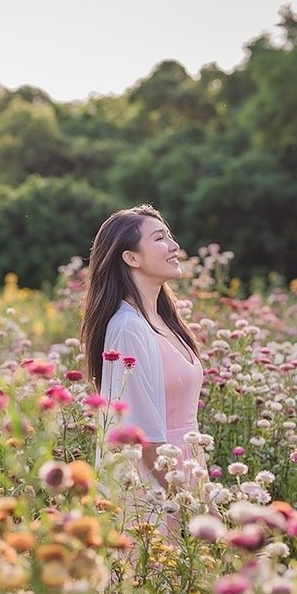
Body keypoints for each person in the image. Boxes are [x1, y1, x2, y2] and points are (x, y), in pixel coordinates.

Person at [80, 204, 204, 490]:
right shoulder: (128, 328)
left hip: (184, 467)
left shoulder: (164, 320)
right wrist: (184, 502)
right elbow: (141, 435)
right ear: (131, 257)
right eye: (160, 239)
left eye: (169, 236)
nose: (174, 246)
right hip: (155, 483)